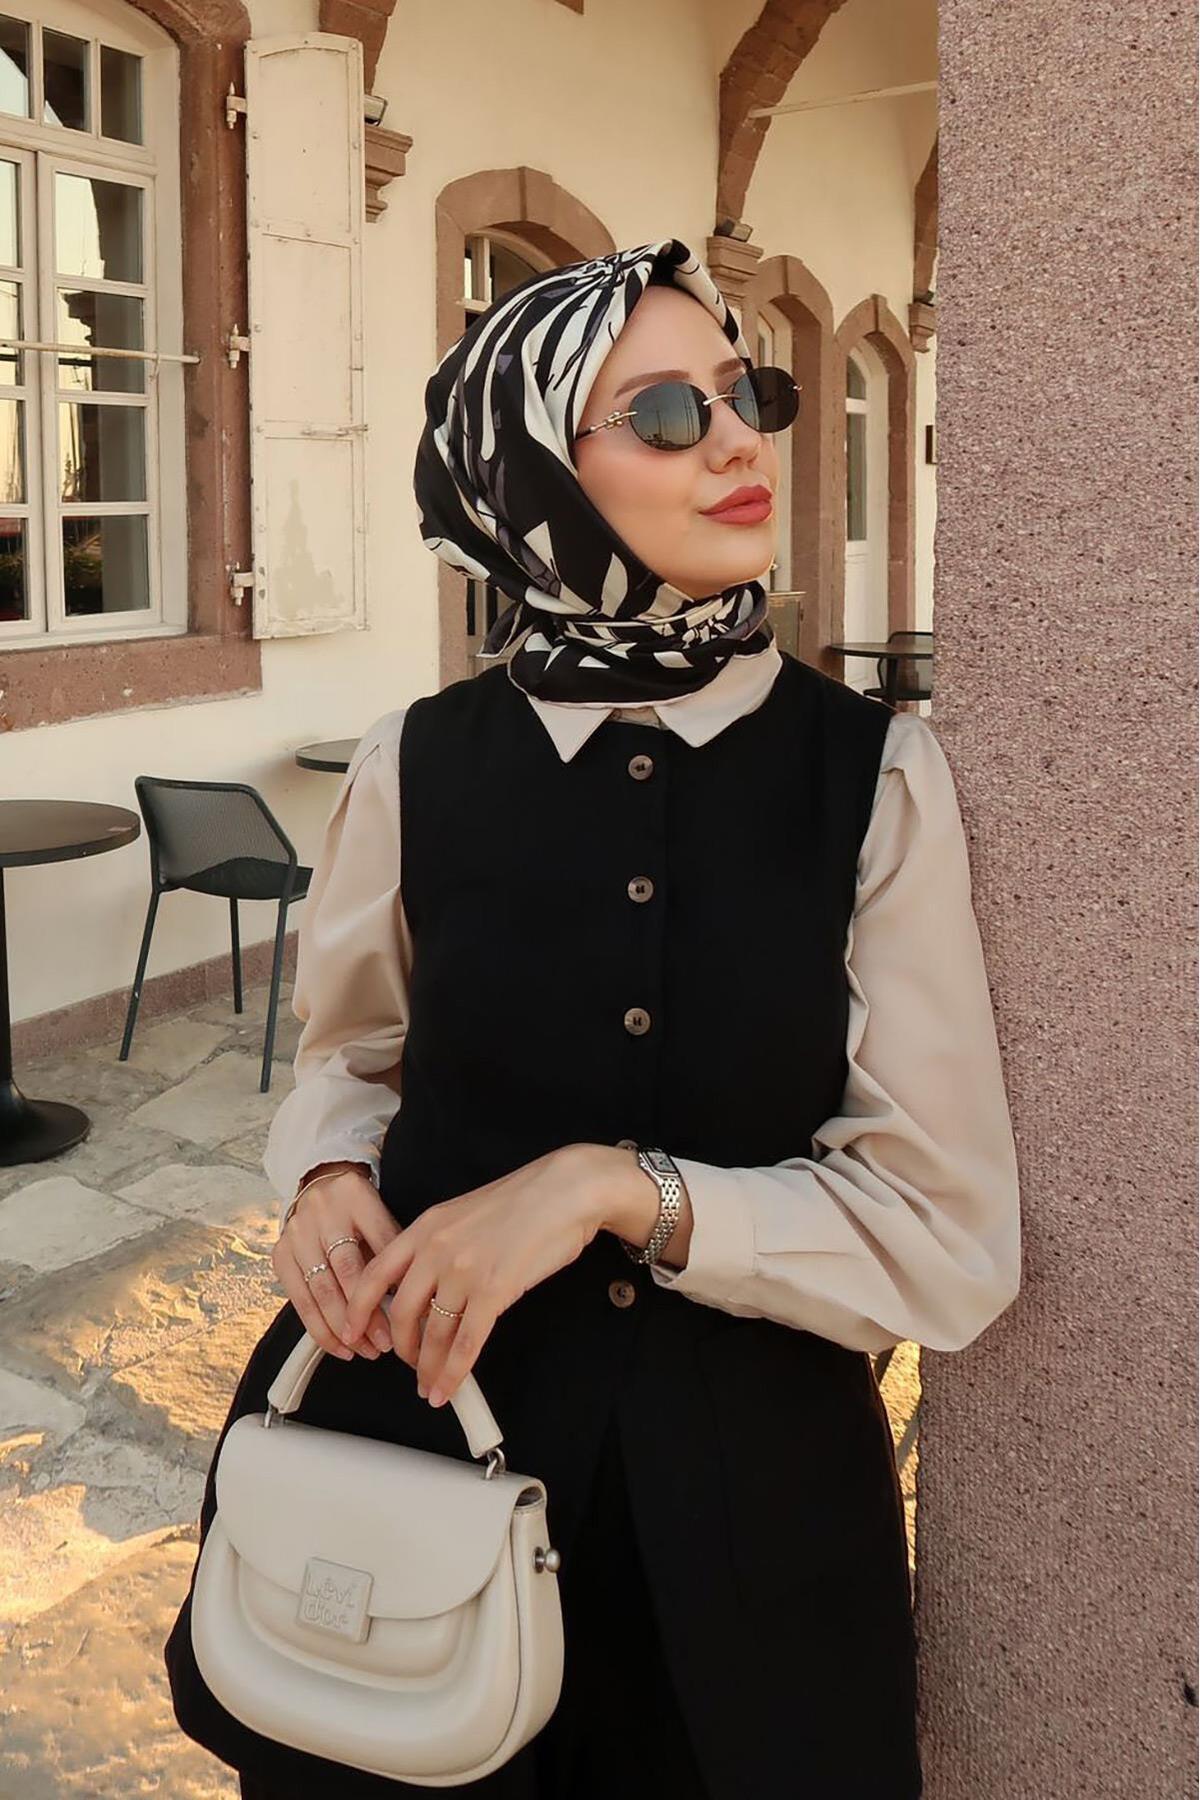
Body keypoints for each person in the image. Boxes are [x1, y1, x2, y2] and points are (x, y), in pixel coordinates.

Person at [164, 237, 1022, 1799]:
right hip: (406, 1468)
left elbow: (945, 1242)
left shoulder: (874, 779)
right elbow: (348, 1058)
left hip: (747, 1549)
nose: (742, 439)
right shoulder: (413, 762)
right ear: (533, 474)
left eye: (746, 394)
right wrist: (328, 1176)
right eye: (668, 414)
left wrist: (610, 1190)